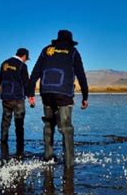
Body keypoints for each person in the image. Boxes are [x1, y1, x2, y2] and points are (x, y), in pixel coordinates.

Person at [28, 30, 89, 167]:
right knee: (66, 128)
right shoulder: (73, 51)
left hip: (46, 93)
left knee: (48, 125)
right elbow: (81, 75)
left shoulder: (46, 50)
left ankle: (48, 158)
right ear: (70, 41)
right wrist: (85, 96)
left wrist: (30, 93)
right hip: (64, 94)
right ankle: (69, 164)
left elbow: (35, 72)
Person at [0, 48, 31, 159]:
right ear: (24, 56)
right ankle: (20, 148)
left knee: (5, 120)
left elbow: (0, 80)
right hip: (17, 98)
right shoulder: (22, 65)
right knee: (19, 123)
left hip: (6, 97)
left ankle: (3, 142)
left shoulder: (4, 63)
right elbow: (26, 83)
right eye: (26, 59)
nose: (26, 61)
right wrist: (30, 96)